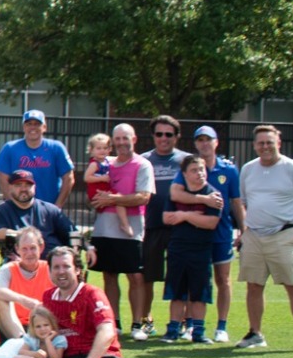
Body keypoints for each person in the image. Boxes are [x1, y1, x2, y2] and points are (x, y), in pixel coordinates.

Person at [9, 247, 141, 358]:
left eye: (66, 266)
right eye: (56, 267)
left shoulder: (92, 293)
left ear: (78, 269)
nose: (61, 271)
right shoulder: (48, 297)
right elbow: (40, 333)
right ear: (49, 271)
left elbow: (107, 331)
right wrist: (40, 349)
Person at [234, 125, 293, 353]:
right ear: (254, 146)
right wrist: (246, 230)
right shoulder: (248, 169)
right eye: (261, 143)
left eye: (269, 142)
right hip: (254, 236)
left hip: (283, 236)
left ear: (278, 143)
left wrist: (290, 220)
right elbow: (244, 201)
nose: (265, 147)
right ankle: (255, 333)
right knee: (254, 286)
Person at [87, 123, 153, 340]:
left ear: (134, 140)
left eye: (126, 138)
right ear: (113, 142)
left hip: (131, 228)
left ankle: (137, 324)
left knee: (135, 276)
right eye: (118, 139)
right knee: (109, 275)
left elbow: (143, 196)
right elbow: (95, 190)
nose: (122, 143)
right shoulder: (108, 164)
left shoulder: (143, 165)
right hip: (105, 226)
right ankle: (113, 322)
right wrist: (98, 201)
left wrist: (113, 199)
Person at [160, 154, 221, 343]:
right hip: (178, 248)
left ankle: (198, 332)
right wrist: (190, 215)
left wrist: (184, 216)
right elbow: (167, 218)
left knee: (200, 293)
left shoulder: (213, 195)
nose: (199, 174)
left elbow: (210, 222)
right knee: (177, 291)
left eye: (202, 169)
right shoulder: (177, 193)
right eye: (194, 170)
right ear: (184, 174)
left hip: (201, 250)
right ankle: (173, 330)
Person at [192, 125, 244, 341]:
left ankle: (221, 326)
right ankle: (194, 326)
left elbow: (236, 201)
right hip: (196, 232)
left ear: (216, 142)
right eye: (200, 140)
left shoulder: (229, 170)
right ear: (196, 144)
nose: (204, 143)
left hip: (221, 233)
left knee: (223, 279)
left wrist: (244, 229)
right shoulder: (191, 168)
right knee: (196, 280)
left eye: (208, 139)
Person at [142, 114, 189, 321]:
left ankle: (181, 321)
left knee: (180, 276)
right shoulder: (143, 160)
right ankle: (145, 319)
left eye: (168, 134)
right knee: (147, 277)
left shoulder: (186, 161)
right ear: (153, 136)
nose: (164, 138)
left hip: (180, 227)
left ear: (177, 136)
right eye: (159, 134)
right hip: (150, 226)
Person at [0, 109, 75, 207]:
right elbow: (2, 179)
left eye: (37, 124)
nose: (33, 127)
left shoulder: (56, 148)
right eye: (29, 124)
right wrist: (14, 207)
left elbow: (69, 178)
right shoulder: (10, 148)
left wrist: (57, 207)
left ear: (44, 127)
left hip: (49, 209)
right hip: (19, 211)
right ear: (24, 127)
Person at [0, 169, 75, 260]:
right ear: (10, 187)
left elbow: (72, 232)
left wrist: (89, 248)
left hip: (53, 266)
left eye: (28, 185)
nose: (23, 189)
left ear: (34, 187)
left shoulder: (50, 210)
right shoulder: (2, 210)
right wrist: (29, 237)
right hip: (19, 264)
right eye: (18, 185)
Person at [0, 227, 56, 342]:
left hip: (43, 326)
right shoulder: (9, 269)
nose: (29, 253)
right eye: (24, 249)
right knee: (3, 300)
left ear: (41, 248)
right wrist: (25, 301)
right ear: (17, 249)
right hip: (14, 327)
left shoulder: (50, 269)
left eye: (33, 248)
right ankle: (23, 342)